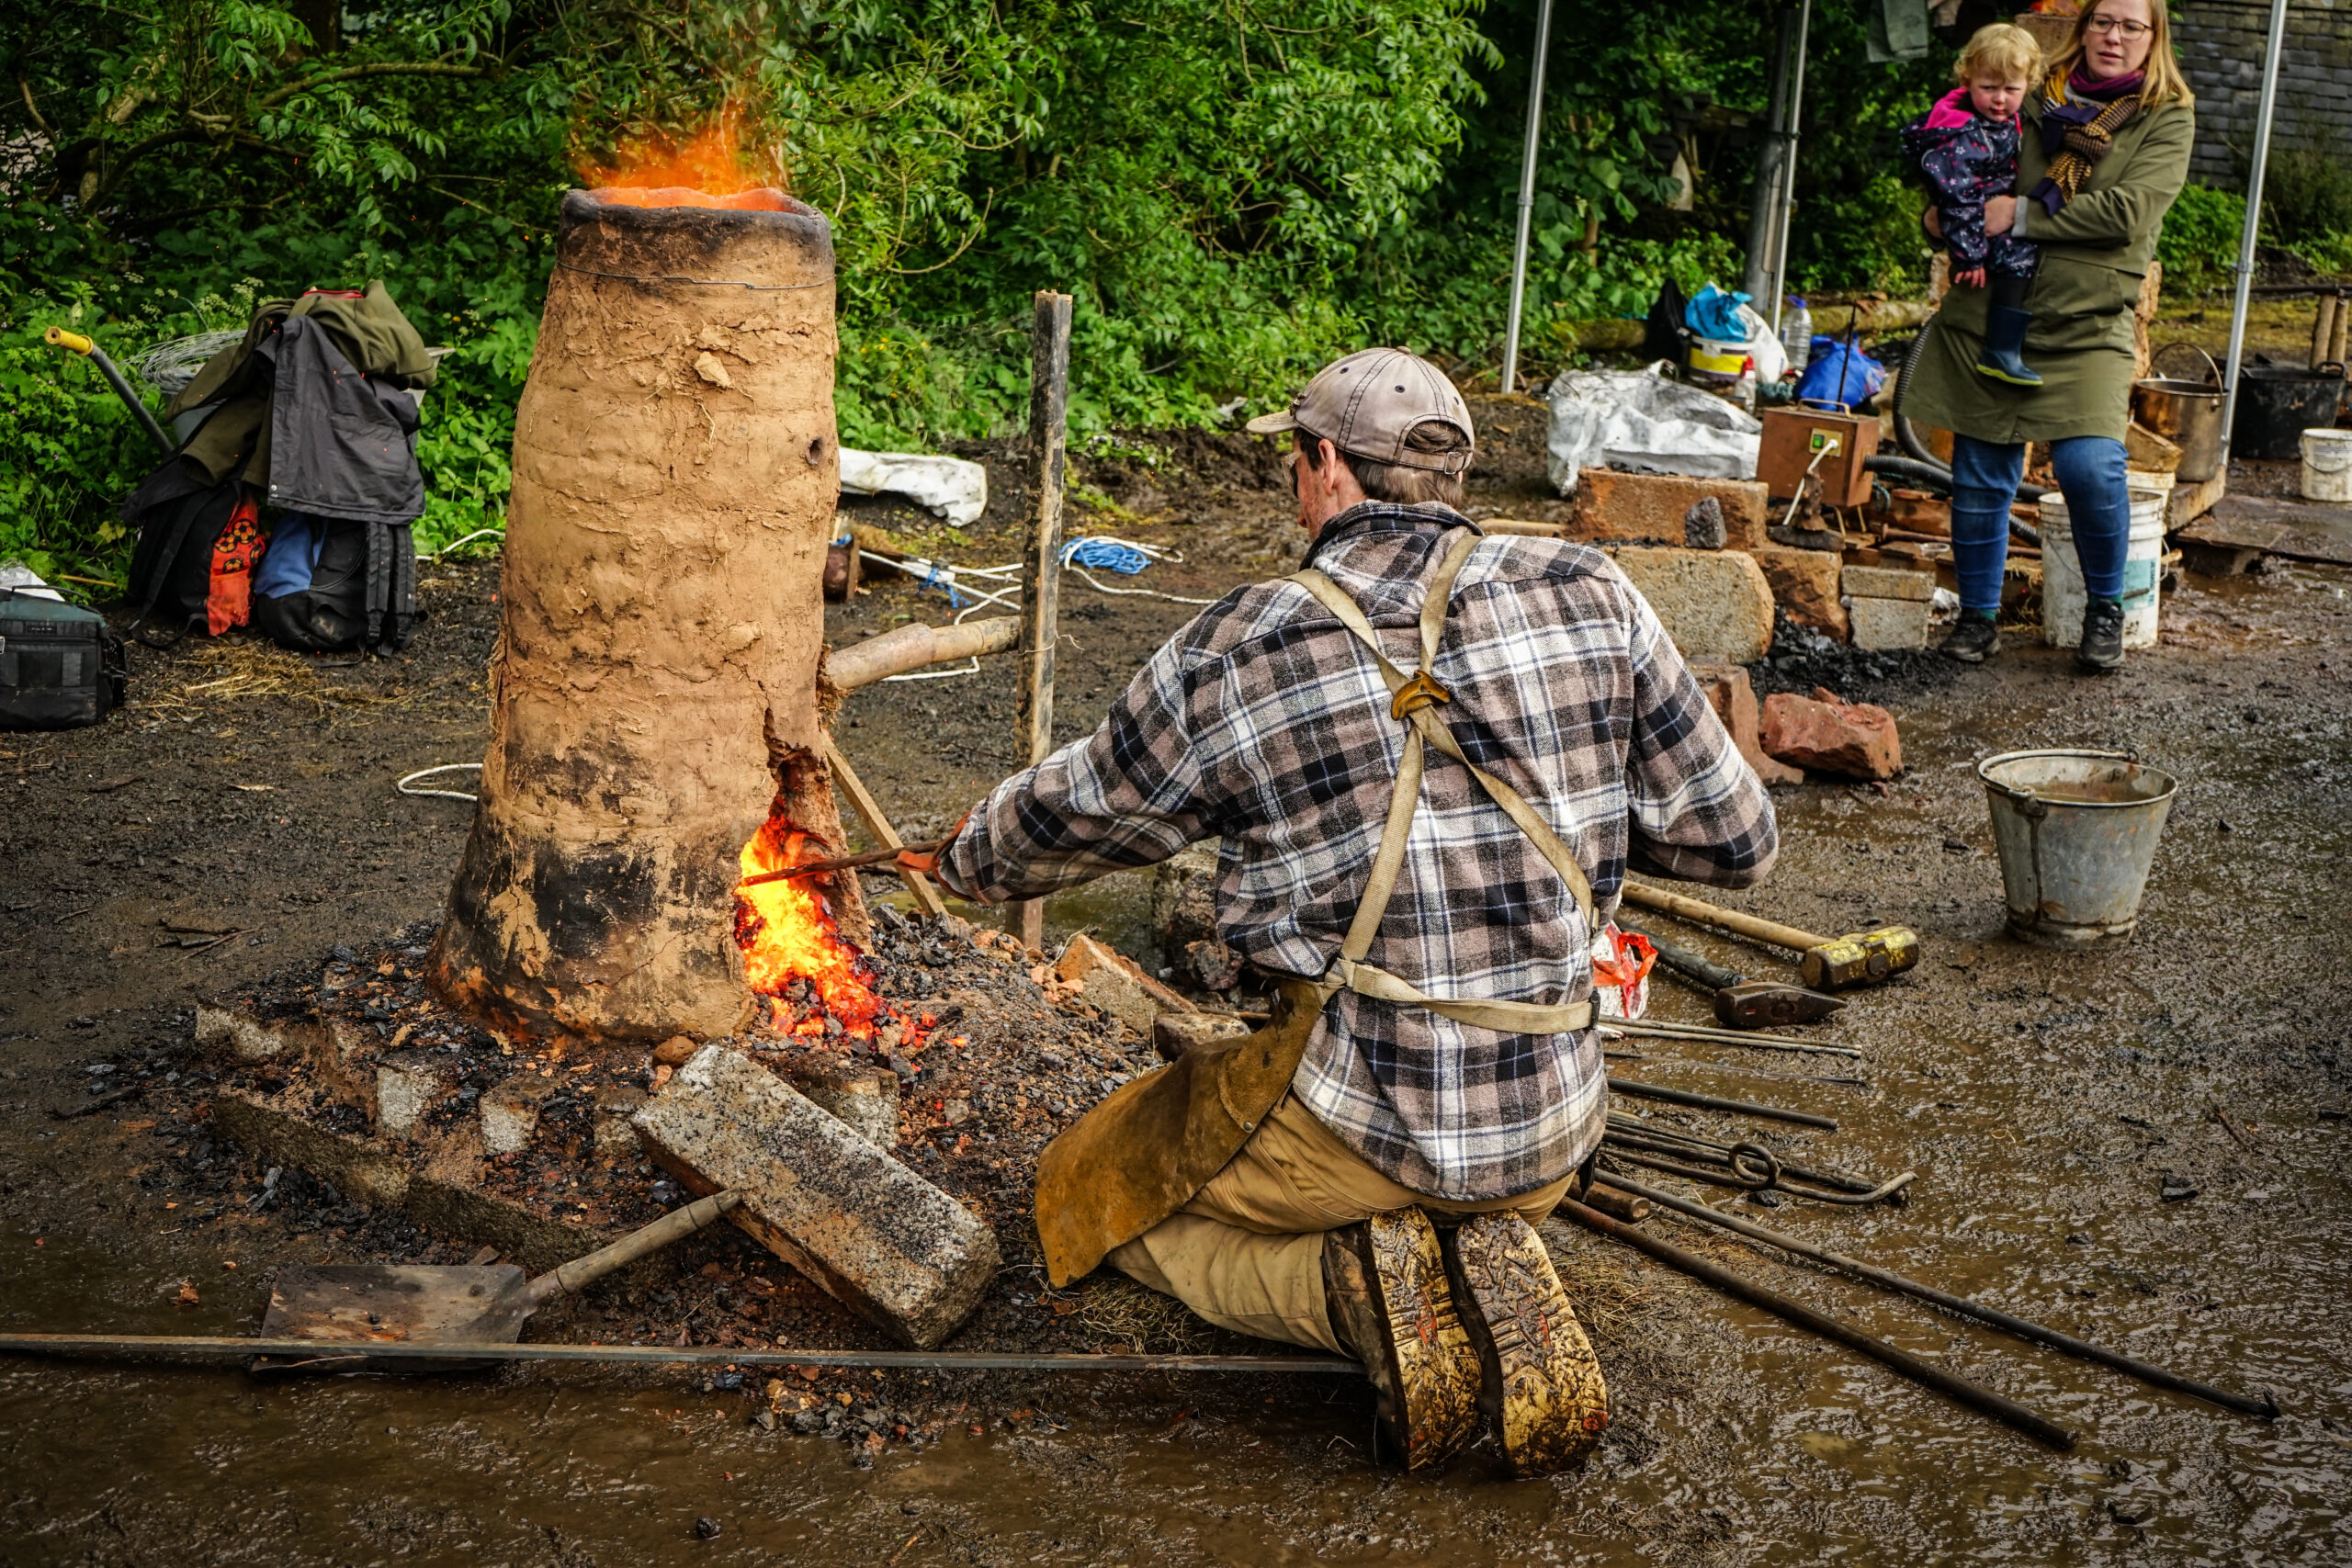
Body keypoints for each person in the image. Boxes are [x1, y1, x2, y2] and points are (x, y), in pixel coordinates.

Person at [917, 348, 1777, 1474]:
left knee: (1089, 1187)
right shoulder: (1591, 587)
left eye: (1295, 458)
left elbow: (1080, 815)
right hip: (1549, 1137)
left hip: (1359, 1127)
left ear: (1324, 464)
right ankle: (1471, 1252)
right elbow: (1736, 841)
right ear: (1455, 471)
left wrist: (960, 856)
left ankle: (1342, 1288)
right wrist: (1582, 818)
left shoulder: (1245, 639)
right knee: (1404, 1156)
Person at [1903, 0, 2193, 672]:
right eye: (2102, 22)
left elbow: (2127, 213)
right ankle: (1978, 619)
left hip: (2088, 320)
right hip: (1996, 311)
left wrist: (2022, 217)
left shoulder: (2165, 115)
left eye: (2131, 26)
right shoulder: (2033, 92)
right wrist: (1941, 218)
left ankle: (2105, 609)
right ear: (2084, 27)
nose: (2113, 37)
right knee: (1981, 472)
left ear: (2154, 37)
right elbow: (1969, 166)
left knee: (2090, 467)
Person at [1902, 24, 2047, 388]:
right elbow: (1958, 197)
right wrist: (1970, 255)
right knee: (2019, 255)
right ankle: (2001, 350)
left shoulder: (2002, 120)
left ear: (2028, 85)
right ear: (1967, 80)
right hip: (1973, 226)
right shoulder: (1964, 133)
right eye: (1989, 88)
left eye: (2011, 89)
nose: (2000, 99)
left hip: (1986, 214)